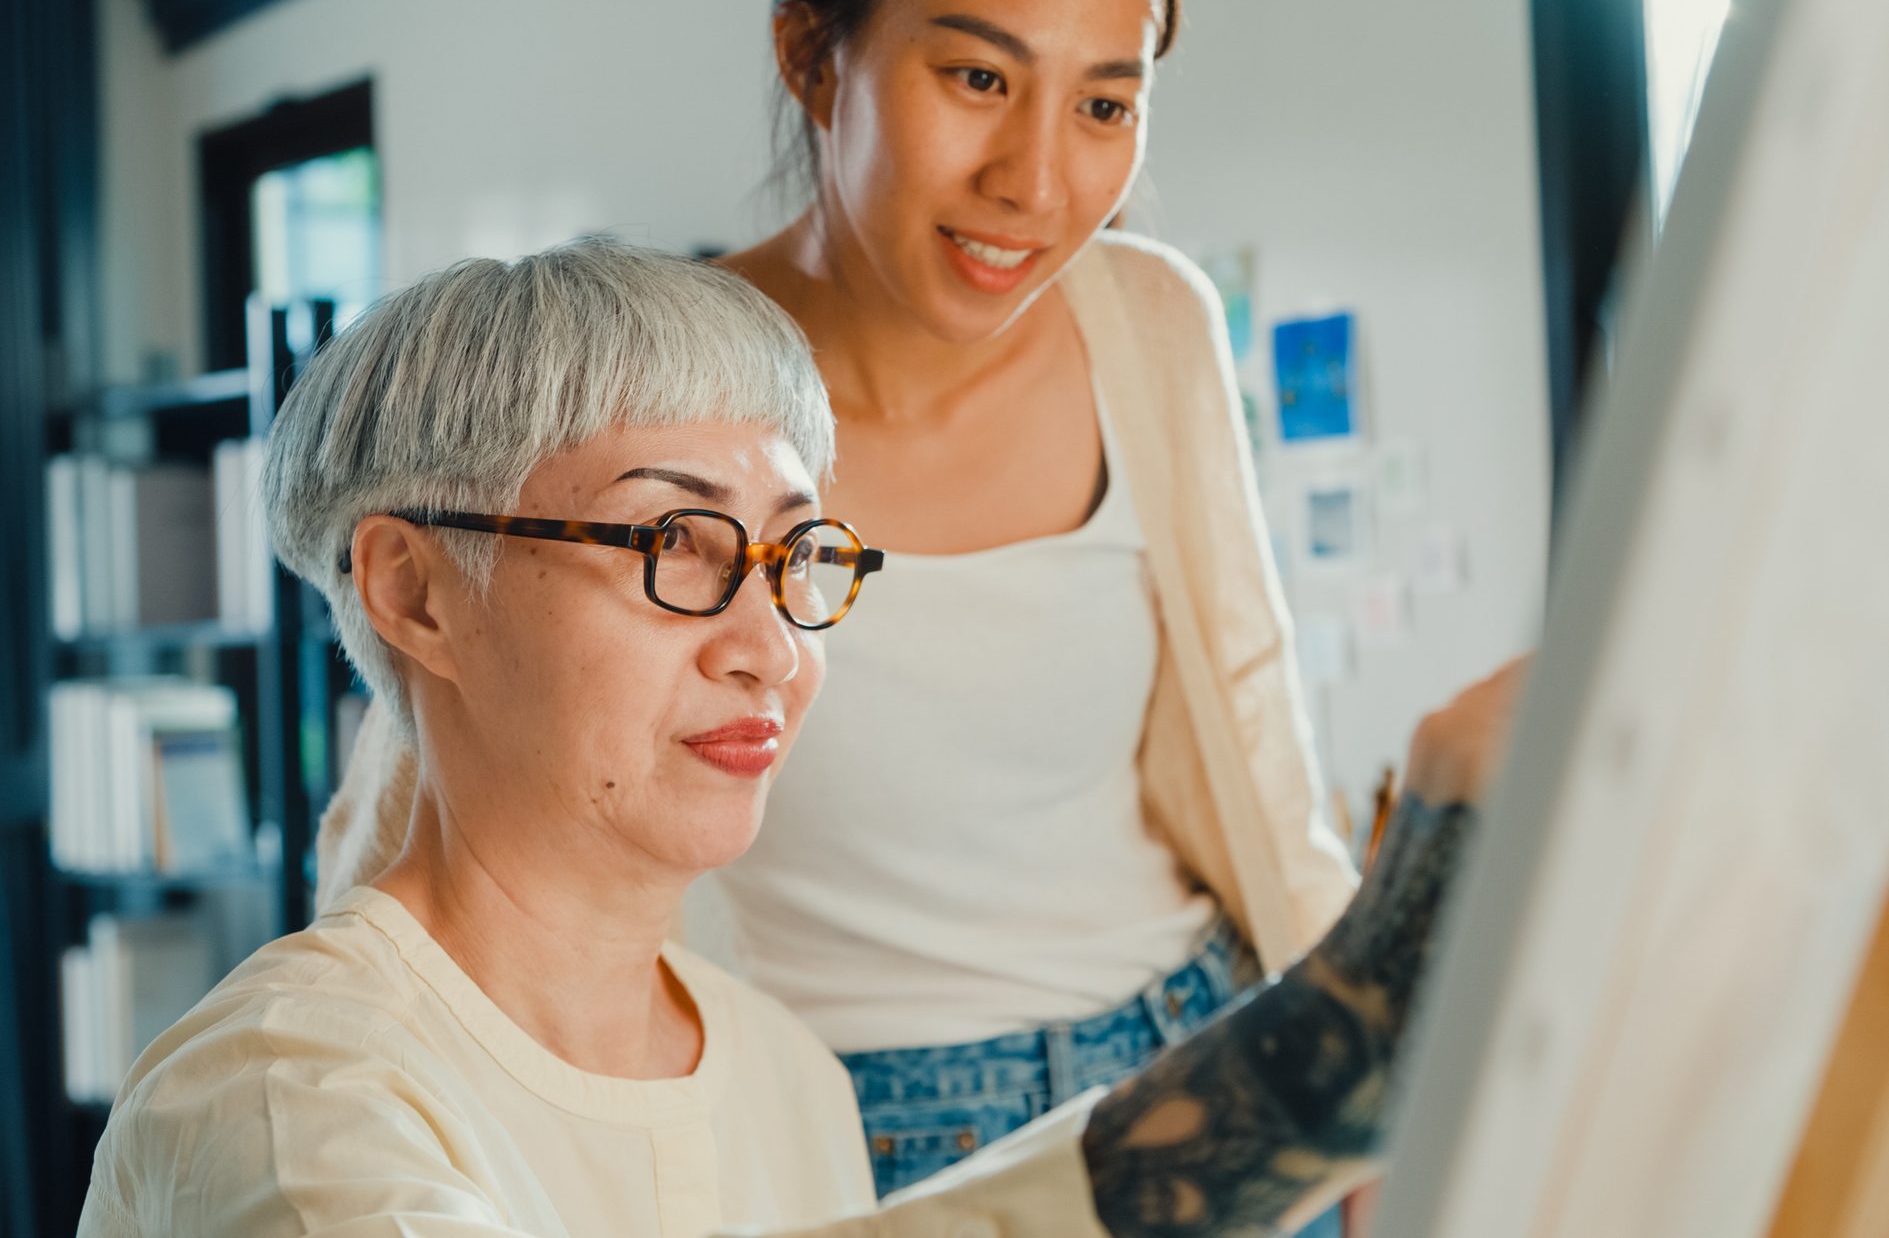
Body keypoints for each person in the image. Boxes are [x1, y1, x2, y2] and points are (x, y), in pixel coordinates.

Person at [76, 238, 1524, 1238]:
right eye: (675, 544)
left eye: (795, 557)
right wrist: (1309, 1061)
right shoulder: (281, 1087)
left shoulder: (783, 1076)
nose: (770, 644)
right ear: (412, 592)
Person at [320, 0, 1362, 1218]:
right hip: (840, 1128)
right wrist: (349, 1063)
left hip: (1196, 1051)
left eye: (1101, 102)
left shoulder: (1151, 324)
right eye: (977, 79)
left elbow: (1254, 731)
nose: (1033, 182)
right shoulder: (654, 390)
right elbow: (437, 768)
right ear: (813, 56)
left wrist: (1356, 1050)